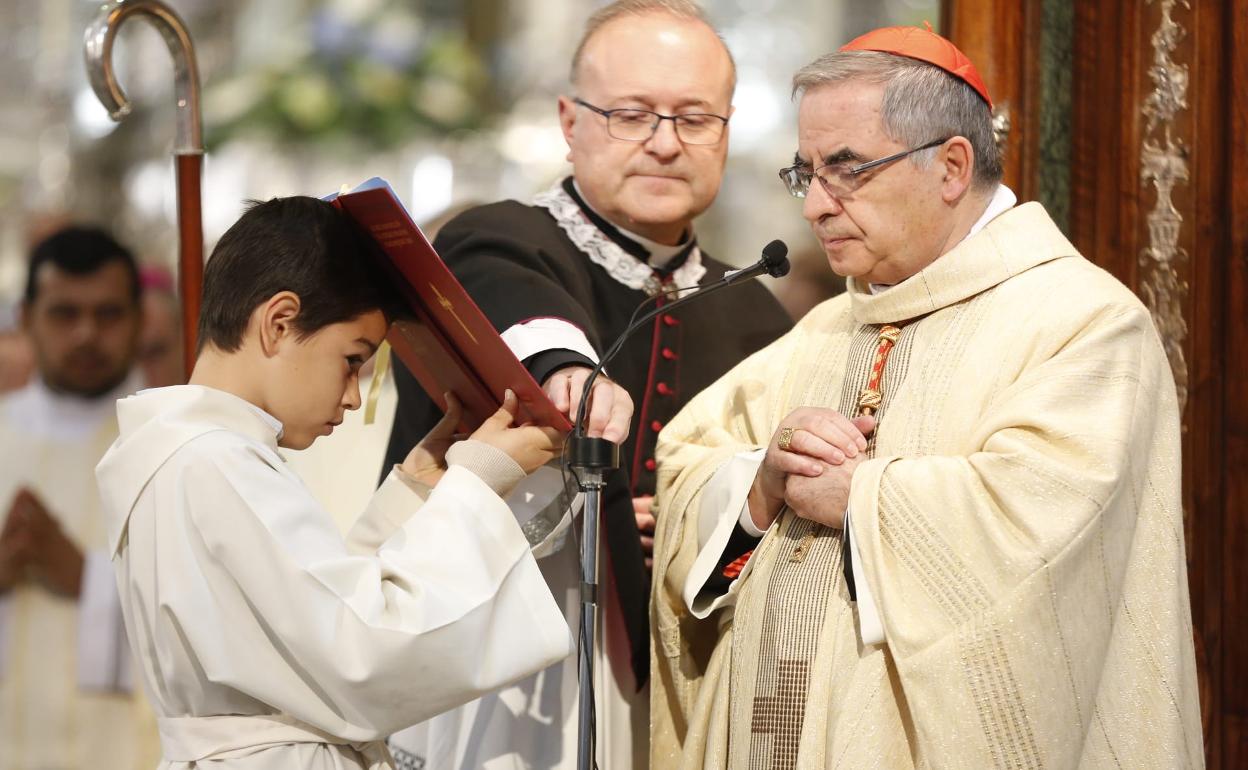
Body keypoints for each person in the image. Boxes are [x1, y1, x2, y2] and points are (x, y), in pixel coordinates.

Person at [651, 27, 1203, 769]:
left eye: (845, 169)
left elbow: (1045, 536)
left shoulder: (1084, 325)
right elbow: (688, 460)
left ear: (950, 166)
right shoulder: (822, 332)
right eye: (804, 172)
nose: (814, 206)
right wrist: (758, 486)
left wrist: (862, 497)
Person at [382, 2, 792, 768]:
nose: (666, 144)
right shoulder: (499, 239)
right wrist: (567, 376)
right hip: (496, 690)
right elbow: (518, 312)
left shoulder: (754, 315)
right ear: (570, 121)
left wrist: (694, 533)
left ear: (727, 132)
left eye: (695, 118)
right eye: (632, 115)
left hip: (679, 697)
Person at [94, 196, 572, 769]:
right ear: (279, 321)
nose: (352, 396)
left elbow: (311, 619)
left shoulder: (186, 450)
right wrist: (479, 481)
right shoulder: (212, 460)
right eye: (352, 359)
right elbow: (364, 656)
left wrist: (418, 491)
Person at [0, 226, 160, 769]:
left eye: (108, 314)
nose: (87, 334)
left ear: (139, 320)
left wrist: (85, 578)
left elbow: (216, 623)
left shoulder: (176, 445)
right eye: (65, 314)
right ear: (26, 320)